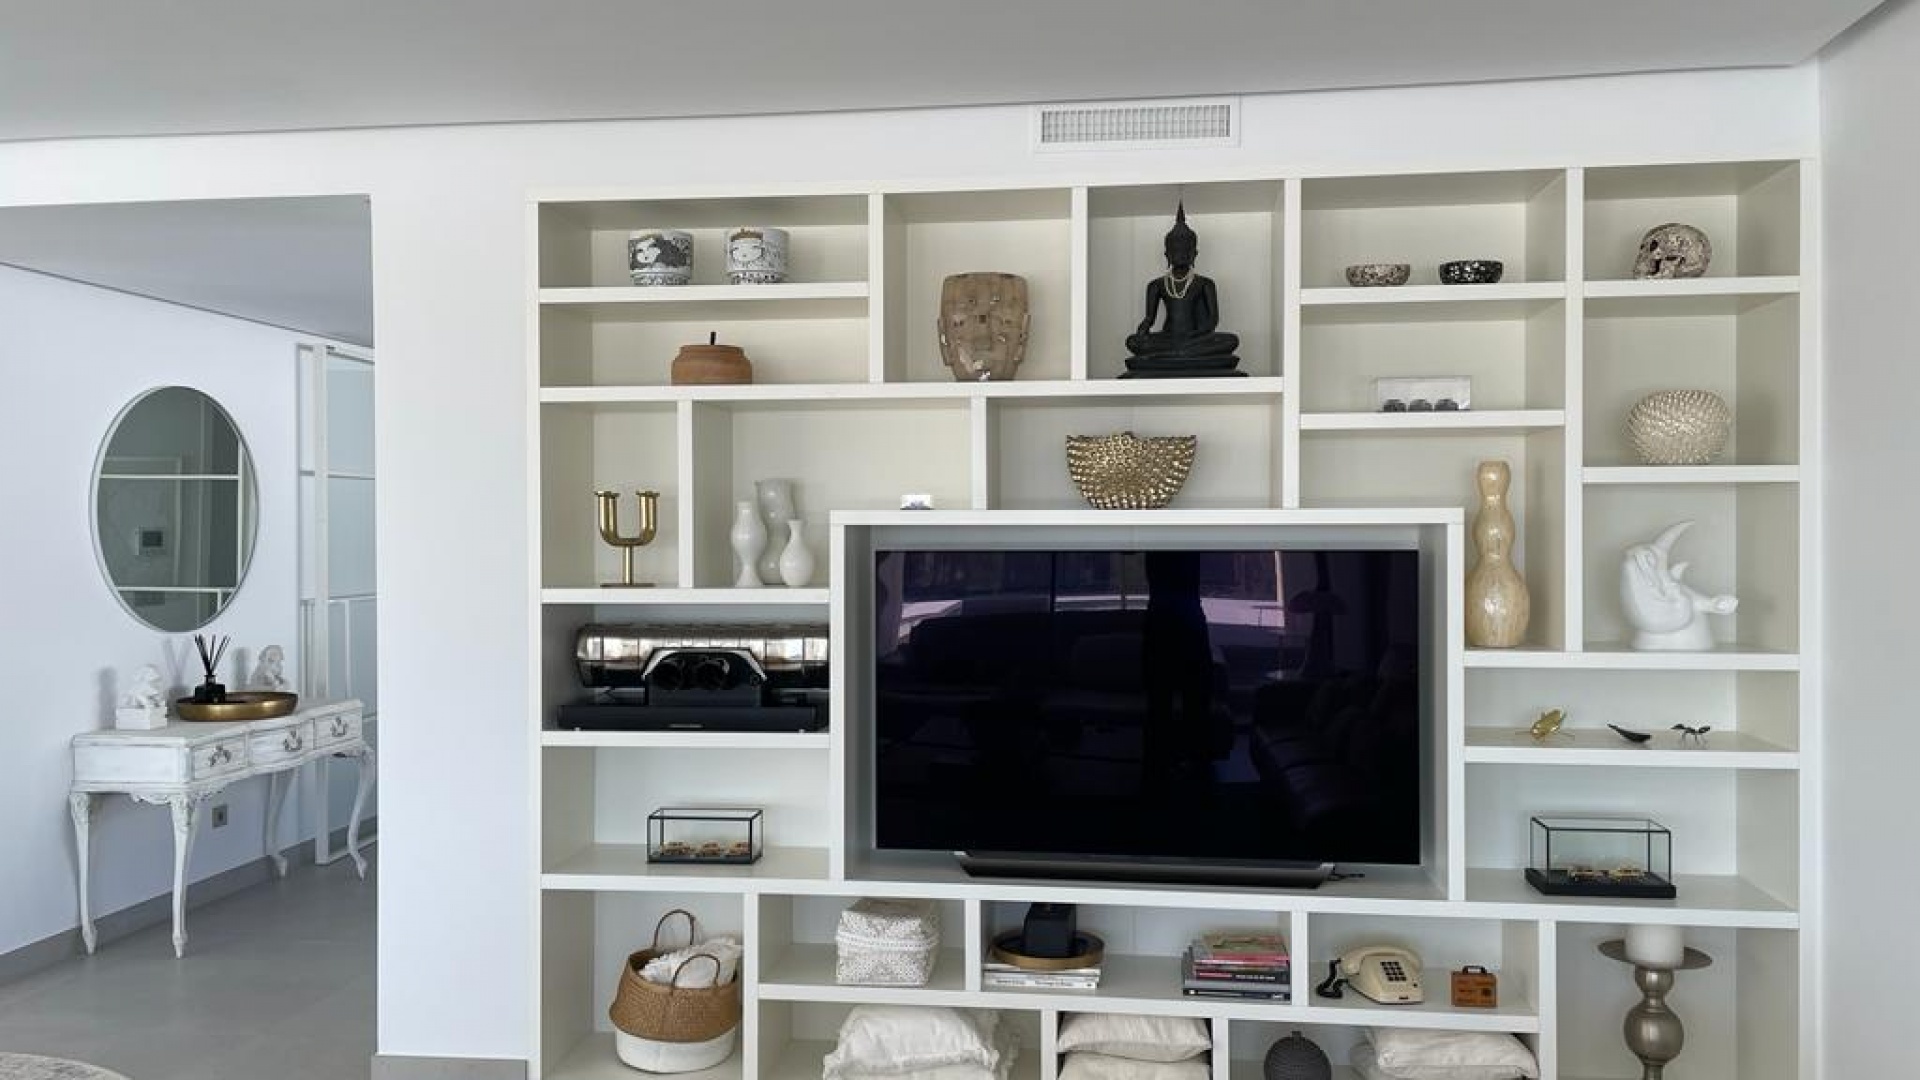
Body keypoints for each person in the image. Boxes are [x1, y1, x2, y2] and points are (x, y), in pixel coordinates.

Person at [1124, 202, 1240, 374]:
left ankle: (1167, 357)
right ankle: (1180, 355)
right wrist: (1142, 330)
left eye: (1186, 250)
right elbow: (1149, 318)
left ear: (1195, 254)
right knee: (1132, 342)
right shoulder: (1156, 285)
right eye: (1176, 250)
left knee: (1231, 341)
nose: (1181, 254)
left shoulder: (1205, 283)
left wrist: (1194, 335)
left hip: (1195, 338)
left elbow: (1212, 320)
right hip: (1168, 338)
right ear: (1167, 255)